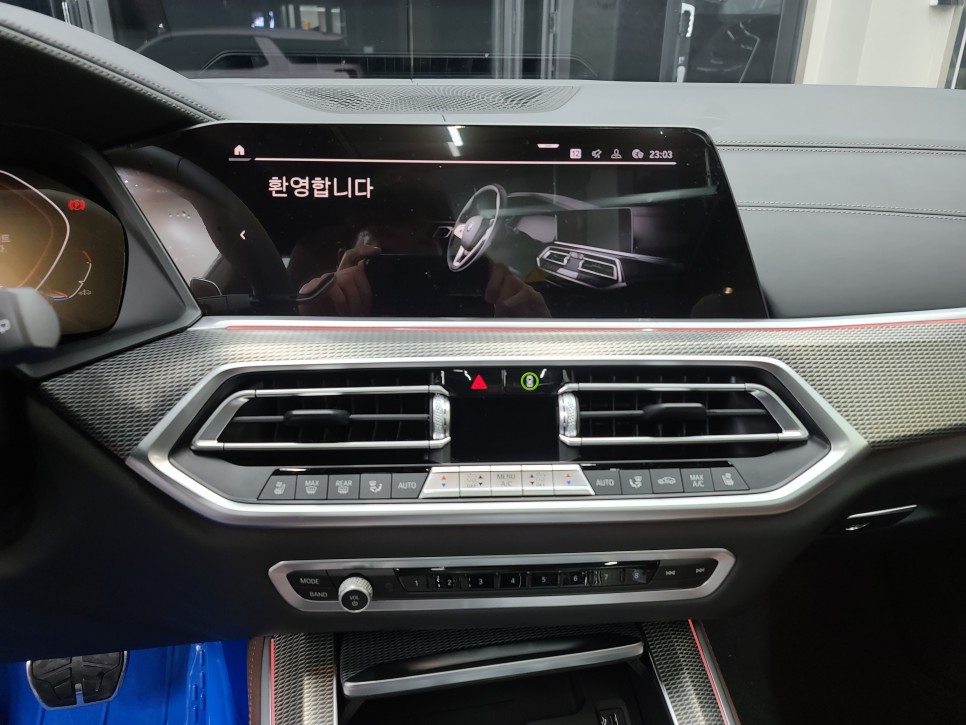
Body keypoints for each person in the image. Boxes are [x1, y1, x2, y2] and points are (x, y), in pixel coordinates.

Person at [297, 178, 550, 318]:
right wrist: (314, 324)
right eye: (385, 254)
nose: (405, 273)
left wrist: (533, 330)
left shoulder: (483, 312)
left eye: (421, 252)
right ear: (342, 260)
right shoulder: (327, 310)